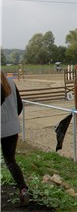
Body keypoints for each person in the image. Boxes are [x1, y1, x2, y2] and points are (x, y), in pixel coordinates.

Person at [1, 70, 30, 206]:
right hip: (12, 128)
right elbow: (19, 106)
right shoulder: (11, 82)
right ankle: (23, 189)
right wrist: (12, 119)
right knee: (10, 161)